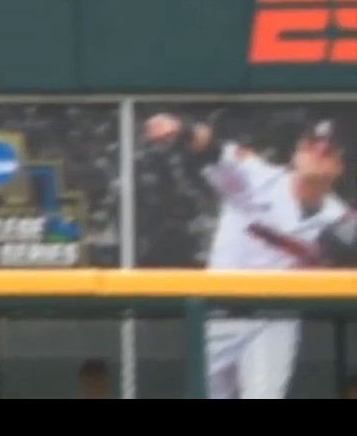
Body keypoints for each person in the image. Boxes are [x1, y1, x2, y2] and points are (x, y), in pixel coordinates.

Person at [142, 114, 350, 399]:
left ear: (340, 167)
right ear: (296, 154)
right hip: (220, 309)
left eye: (327, 151)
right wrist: (182, 129)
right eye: (311, 145)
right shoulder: (258, 177)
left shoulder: (338, 220)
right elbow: (212, 148)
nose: (317, 153)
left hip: (273, 318)